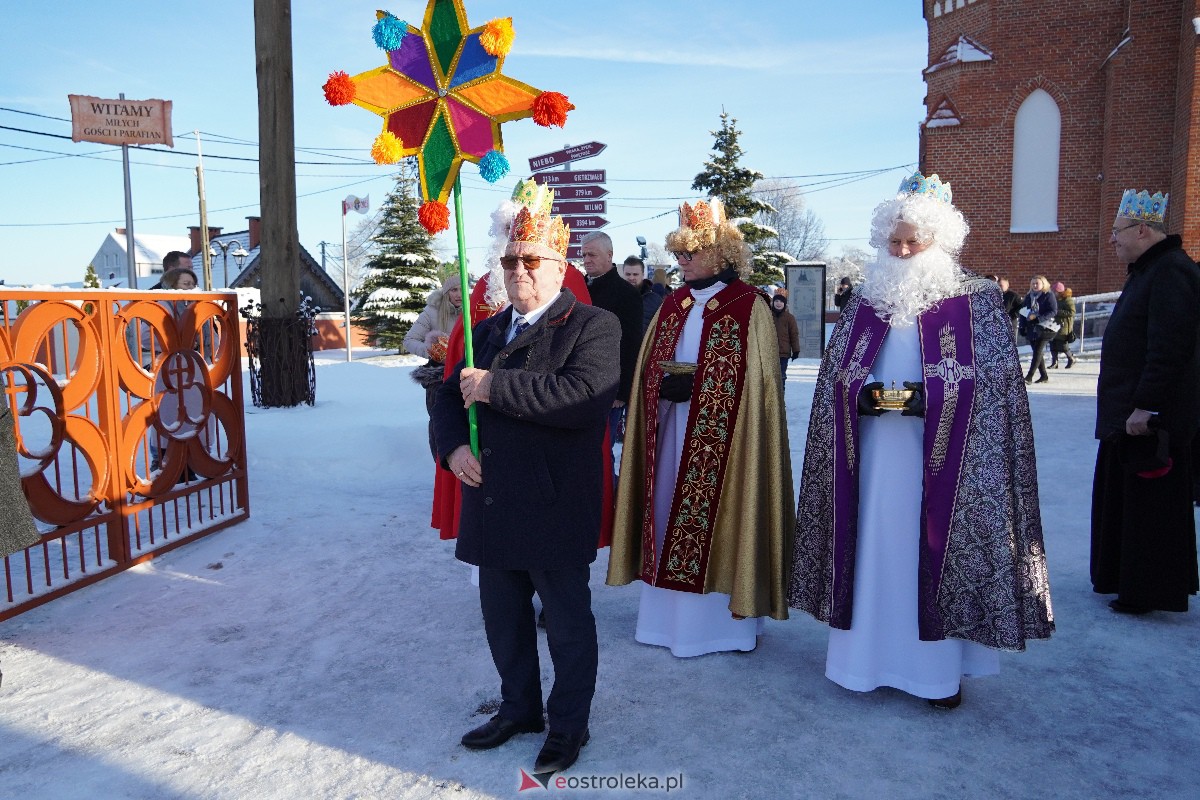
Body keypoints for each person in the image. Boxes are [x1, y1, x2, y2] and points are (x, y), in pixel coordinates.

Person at [789, 172, 1054, 709]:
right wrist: (860, 395)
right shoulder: (865, 301)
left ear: (941, 241)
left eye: (914, 240)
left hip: (947, 466)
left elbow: (999, 385)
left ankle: (935, 677)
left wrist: (935, 397)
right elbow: (836, 376)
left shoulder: (974, 302)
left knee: (935, 552)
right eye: (894, 240)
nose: (903, 250)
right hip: (874, 457)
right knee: (875, 549)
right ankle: (861, 664)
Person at [432, 178, 619, 775]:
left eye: (531, 260)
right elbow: (444, 399)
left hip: (553, 500)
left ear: (559, 266)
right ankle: (520, 707)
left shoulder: (592, 325)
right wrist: (454, 448)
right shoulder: (486, 330)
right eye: (510, 260)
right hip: (491, 503)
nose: (518, 270)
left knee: (566, 625)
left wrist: (494, 386)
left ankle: (568, 725)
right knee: (504, 621)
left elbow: (584, 397)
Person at [606, 198, 795, 657]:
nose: (682, 259)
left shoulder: (748, 306)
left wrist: (702, 388)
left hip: (728, 447)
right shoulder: (672, 303)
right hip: (671, 435)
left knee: (725, 516)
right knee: (668, 510)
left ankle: (721, 627)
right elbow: (647, 368)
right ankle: (664, 621)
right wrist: (659, 388)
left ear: (723, 251)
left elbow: (760, 387)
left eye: (692, 250)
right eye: (680, 251)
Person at [1092, 189, 1200, 615]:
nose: (1112, 241)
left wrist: (1147, 406)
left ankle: (1148, 590)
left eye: (1117, 232)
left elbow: (1170, 347)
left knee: (1149, 507)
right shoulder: (1150, 269)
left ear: (1142, 230)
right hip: (1129, 414)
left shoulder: (1172, 271)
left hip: (1147, 419)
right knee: (1128, 501)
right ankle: (1125, 578)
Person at [579, 232, 642, 433]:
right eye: (584, 255)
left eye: (592, 255)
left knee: (603, 451)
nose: (587, 260)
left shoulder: (627, 294)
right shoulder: (576, 288)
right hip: (575, 384)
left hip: (607, 389)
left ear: (609, 255)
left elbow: (631, 345)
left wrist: (621, 391)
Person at [404, 274, 463, 460]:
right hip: (438, 376)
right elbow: (410, 340)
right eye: (454, 290)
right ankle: (441, 463)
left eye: (462, 289)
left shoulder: (472, 311)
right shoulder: (432, 312)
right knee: (440, 422)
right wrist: (431, 351)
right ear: (446, 293)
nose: (459, 294)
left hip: (463, 373)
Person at [1019, 275, 1057, 384]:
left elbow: (1053, 311)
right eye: (1033, 283)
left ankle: (1029, 376)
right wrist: (1022, 326)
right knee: (1037, 352)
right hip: (1031, 328)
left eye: (1037, 283)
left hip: (1045, 327)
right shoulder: (1028, 297)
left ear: (1043, 284)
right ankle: (1044, 375)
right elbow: (1023, 311)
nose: (1035, 285)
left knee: (1037, 351)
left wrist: (1038, 317)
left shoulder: (1048, 295)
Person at [621, 255, 664, 335]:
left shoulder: (654, 300)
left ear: (643, 275)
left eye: (635, 274)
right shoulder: (614, 297)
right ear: (623, 274)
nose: (631, 278)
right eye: (628, 274)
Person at [772, 289, 800, 383]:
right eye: (776, 301)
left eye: (781, 301)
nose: (778, 303)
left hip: (783, 353)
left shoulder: (789, 318)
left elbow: (794, 334)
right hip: (769, 352)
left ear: (784, 303)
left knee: (781, 377)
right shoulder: (768, 315)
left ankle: (780, 396)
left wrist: (795, 350)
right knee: (770, 378)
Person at [1047, 281, 1076, 368]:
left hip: (1064, 325)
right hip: (1053, 324)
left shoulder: (1067, 300)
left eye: (1056, 292)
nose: (1054, 294)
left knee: (1062, 344)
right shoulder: (1054, 299)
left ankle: (1071, 358)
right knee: (1052, 342)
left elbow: (1071, 312)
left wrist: (1057, 312)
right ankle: (1054, 362)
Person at [999, 277, 1022, 341]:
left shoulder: (1013, 295)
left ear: (1007, 285)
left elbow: (1022, 307)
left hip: (1010, 323)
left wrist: (1013, 315)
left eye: (1001, 285)